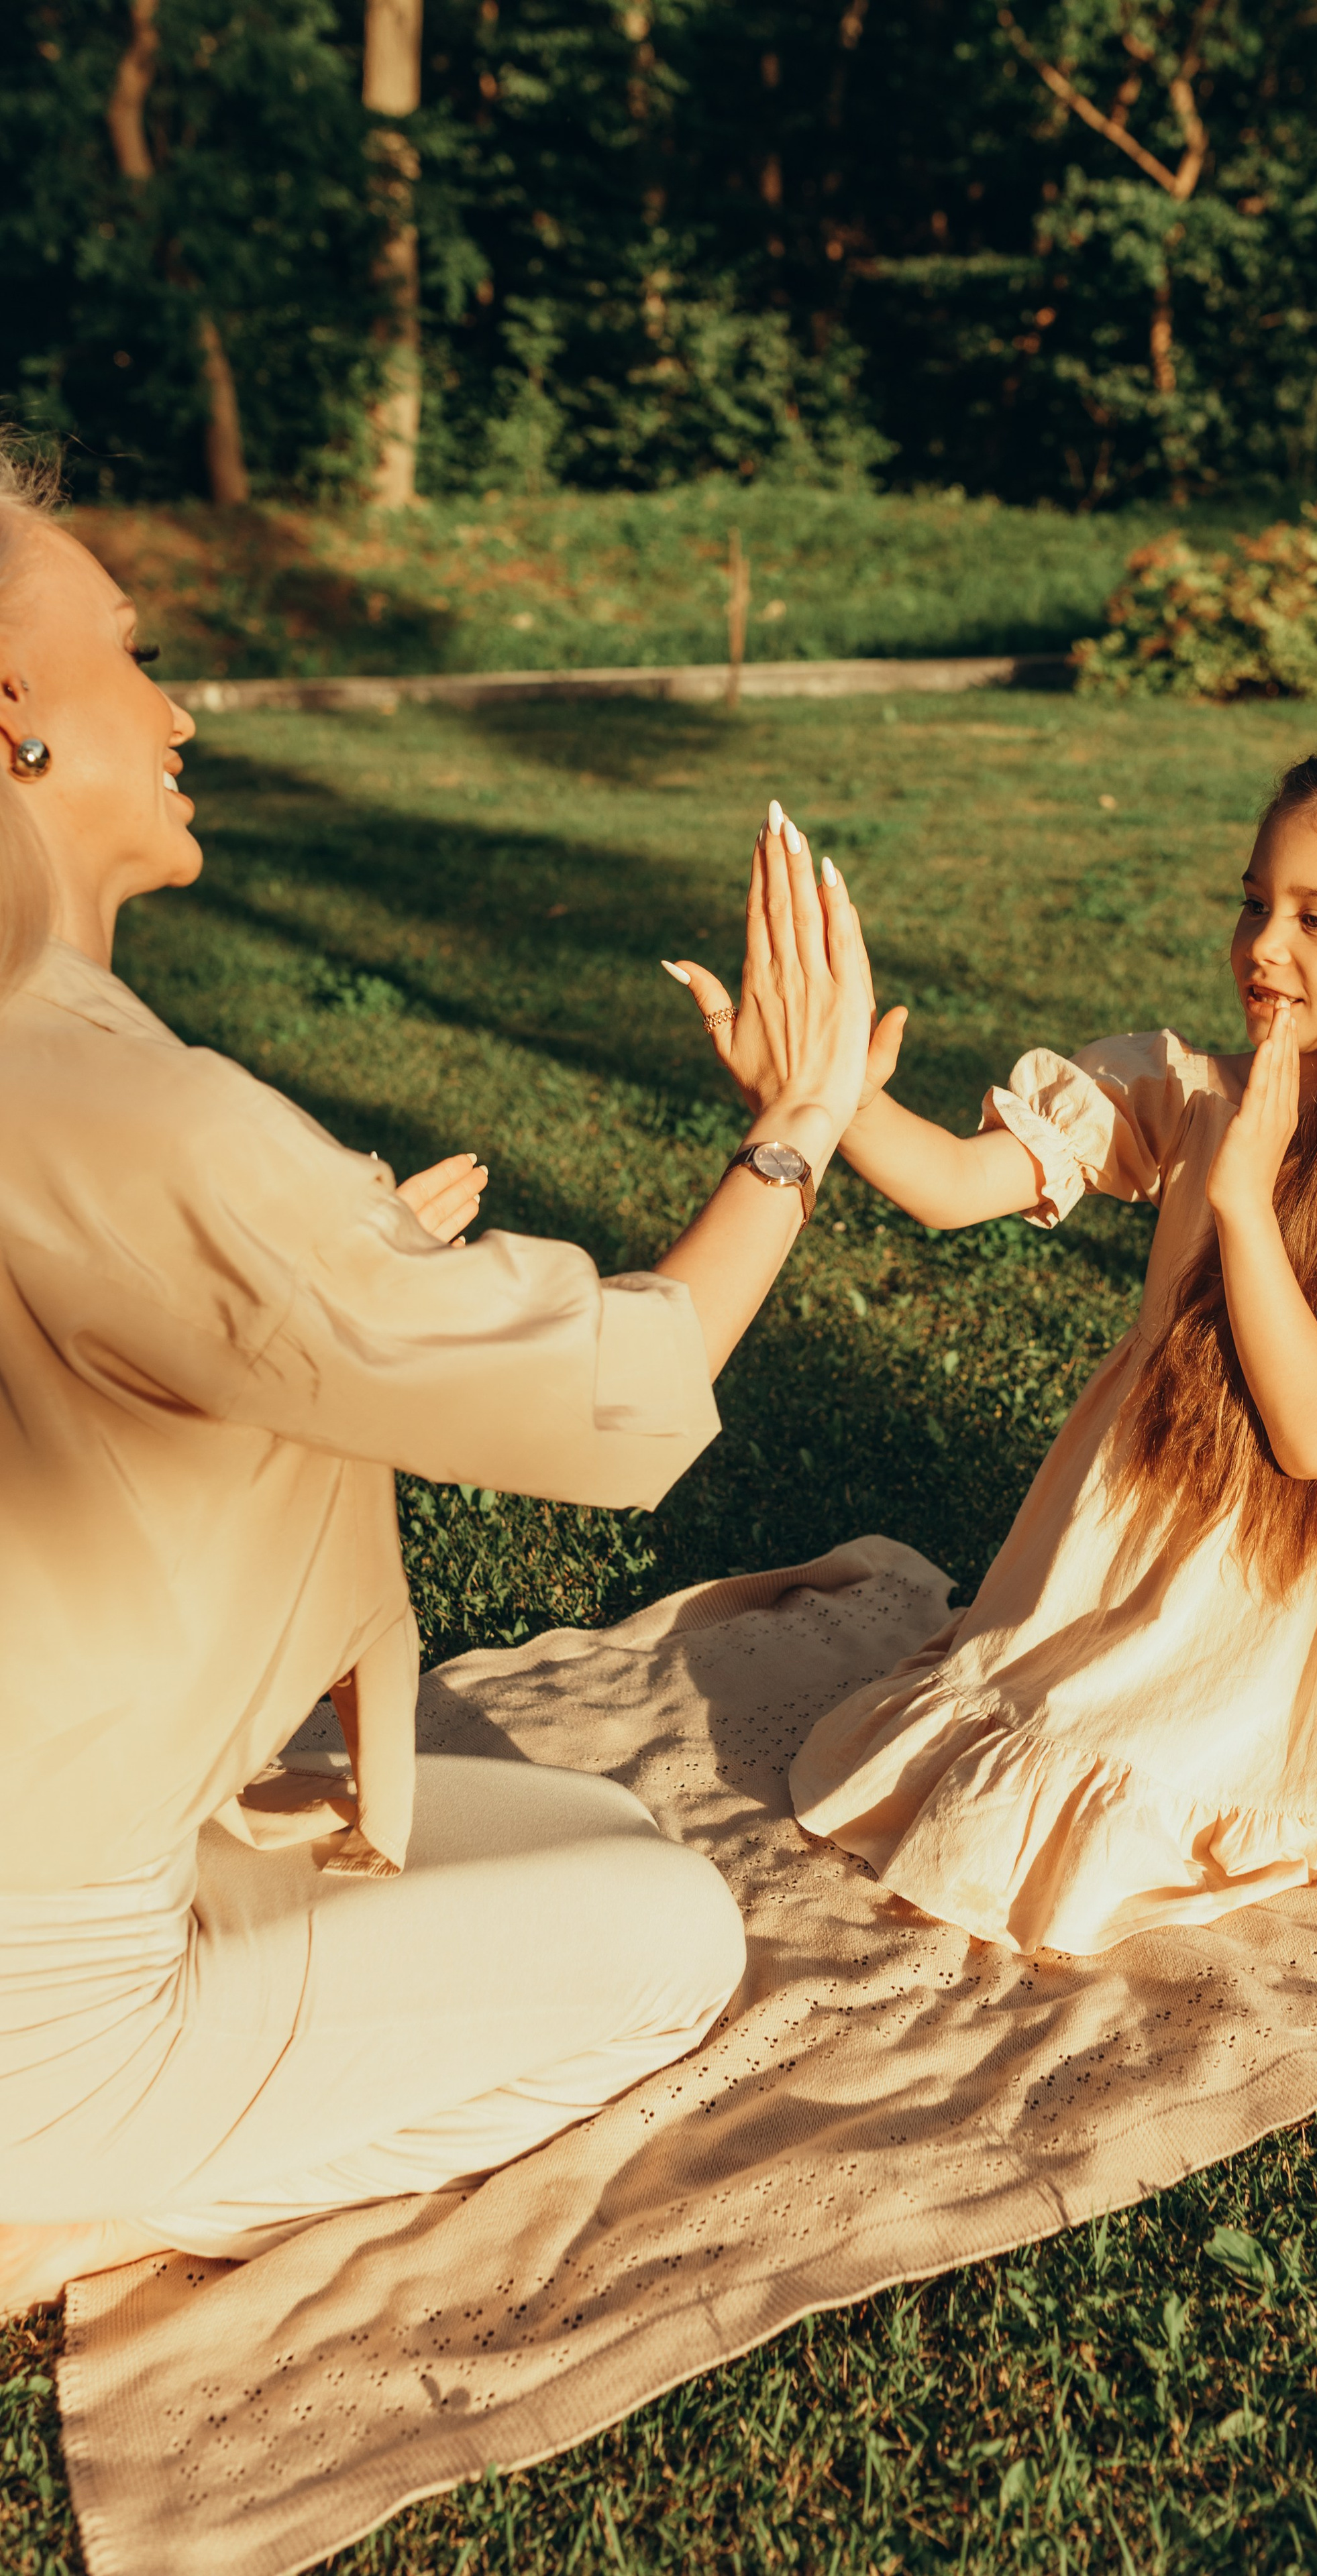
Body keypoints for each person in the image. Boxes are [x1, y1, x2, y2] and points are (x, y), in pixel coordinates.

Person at [0, 443, 877, 2310]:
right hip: (35, 1976)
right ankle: (68, 2205)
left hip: (93, 1839)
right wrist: (797, 1128)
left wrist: (343, 1263)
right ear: (13, 714)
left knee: (589, 1825)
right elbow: (604, 1392)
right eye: (131, 655)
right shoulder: (108, 1095)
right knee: (668, 1934)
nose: (175, 709)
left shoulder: (70, 1054)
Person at [764, 739, 1317, 1957]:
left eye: (1313, 918)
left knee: (1129, 1802)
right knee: (986, 1767)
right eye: (1252, 900)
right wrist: (834, 1096)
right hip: (1113, 1546)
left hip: (1263, 1614)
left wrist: (1244, 1205)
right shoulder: (1181, 1085)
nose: (1263, 945)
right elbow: (959, 1186)